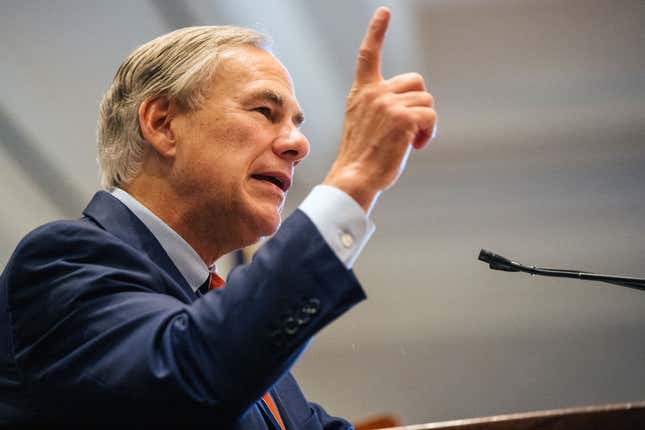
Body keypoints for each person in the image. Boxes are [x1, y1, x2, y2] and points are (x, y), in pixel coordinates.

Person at [0, 7, 435, 428]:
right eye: (265, 112)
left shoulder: (217, 310)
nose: (298, 145)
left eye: (296, 123)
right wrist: (353, 180)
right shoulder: (60, 262)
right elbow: (188, 379)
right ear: (163, 123)